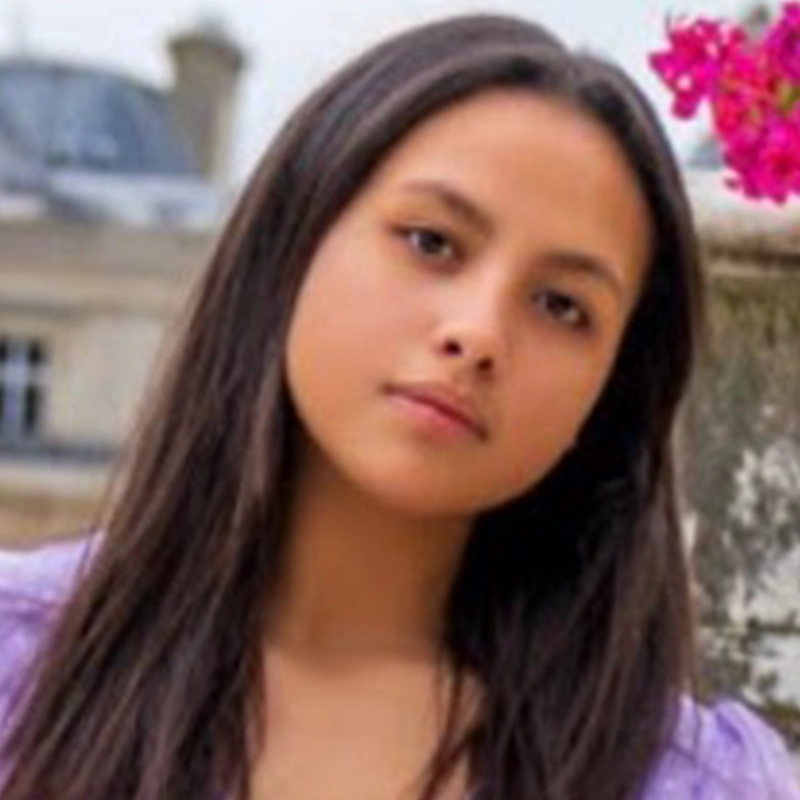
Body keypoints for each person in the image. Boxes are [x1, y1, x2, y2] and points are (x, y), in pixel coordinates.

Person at [0, 13, 797, 800]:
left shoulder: (700, 785)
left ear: (613, 388)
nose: (479, 333)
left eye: (561, 306)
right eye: (431, 242)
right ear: (296, 236)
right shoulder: (23, 665)